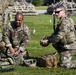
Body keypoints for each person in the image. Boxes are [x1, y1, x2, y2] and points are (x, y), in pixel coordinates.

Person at [40, 4, 76, 69]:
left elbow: (59, 36)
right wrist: (47, 38)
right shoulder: (62, 21)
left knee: (64, 65)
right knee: (54, 42)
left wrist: (48, 41)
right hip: (65, 45)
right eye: (55, 12)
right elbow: (56, 34)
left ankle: (66, 57)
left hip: (69, 46)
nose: (56, 14)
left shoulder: (65, 22)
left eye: (58, 12)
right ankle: (63, 55)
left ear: (63, 11)